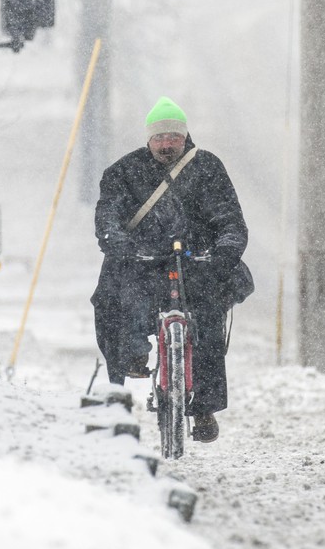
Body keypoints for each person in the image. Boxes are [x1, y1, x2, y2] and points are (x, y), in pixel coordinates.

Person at [90, 96, 251, 443]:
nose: (166, 144)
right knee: (113, 303)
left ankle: (204, 408)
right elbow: (108, 217)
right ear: (148, 138)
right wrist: (120, 246)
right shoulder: (123, 171)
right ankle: (126, 367)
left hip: (197, 264)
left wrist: (224, 253)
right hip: (142, 263)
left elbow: (230, 220)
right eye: (160, 137)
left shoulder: (207, 167)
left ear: (185, 137)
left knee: (208, 322)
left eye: (173, 137)